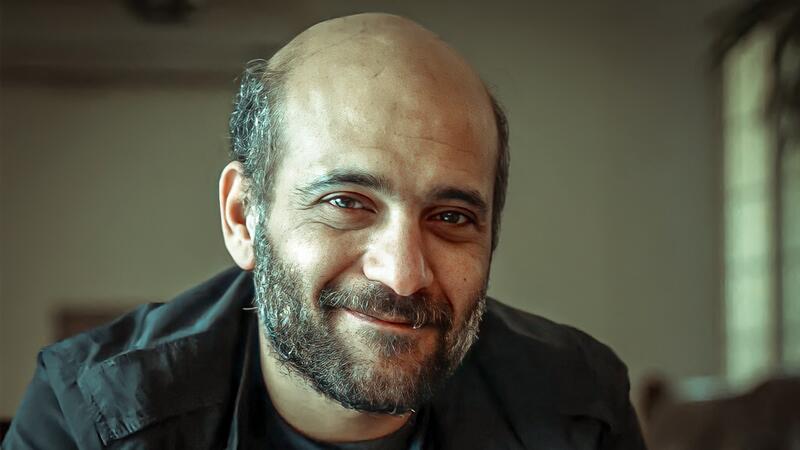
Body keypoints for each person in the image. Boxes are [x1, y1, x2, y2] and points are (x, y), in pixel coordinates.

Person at [2, 13, 646, 449]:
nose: (403, 275)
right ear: (243, 218)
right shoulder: (90, 416)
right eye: (346, 202)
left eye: (451, 217)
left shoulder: (578, 405)